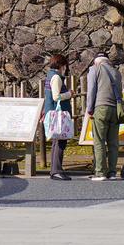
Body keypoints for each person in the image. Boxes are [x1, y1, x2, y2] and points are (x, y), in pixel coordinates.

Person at [85, 50, 123, 182]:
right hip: (115, 109)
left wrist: (89, 109)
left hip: (100, 108)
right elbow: (120, 92)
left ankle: (100, 172)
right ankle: (112, 172)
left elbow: (91, 91)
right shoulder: (116, 72)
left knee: (99, 141)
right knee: (113, 143)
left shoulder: (95, 69)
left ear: (96, 61)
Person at [41, 52, 74, 180]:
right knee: (60, 142)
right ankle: (56, 170)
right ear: (61, 65)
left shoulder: (50, 76)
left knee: (57, 141)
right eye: (64, 65)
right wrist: (69, 94)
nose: (65, 68)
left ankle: (55, 170)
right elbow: (56, 96)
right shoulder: (56, 78)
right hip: (58, 114)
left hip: (52, 112)